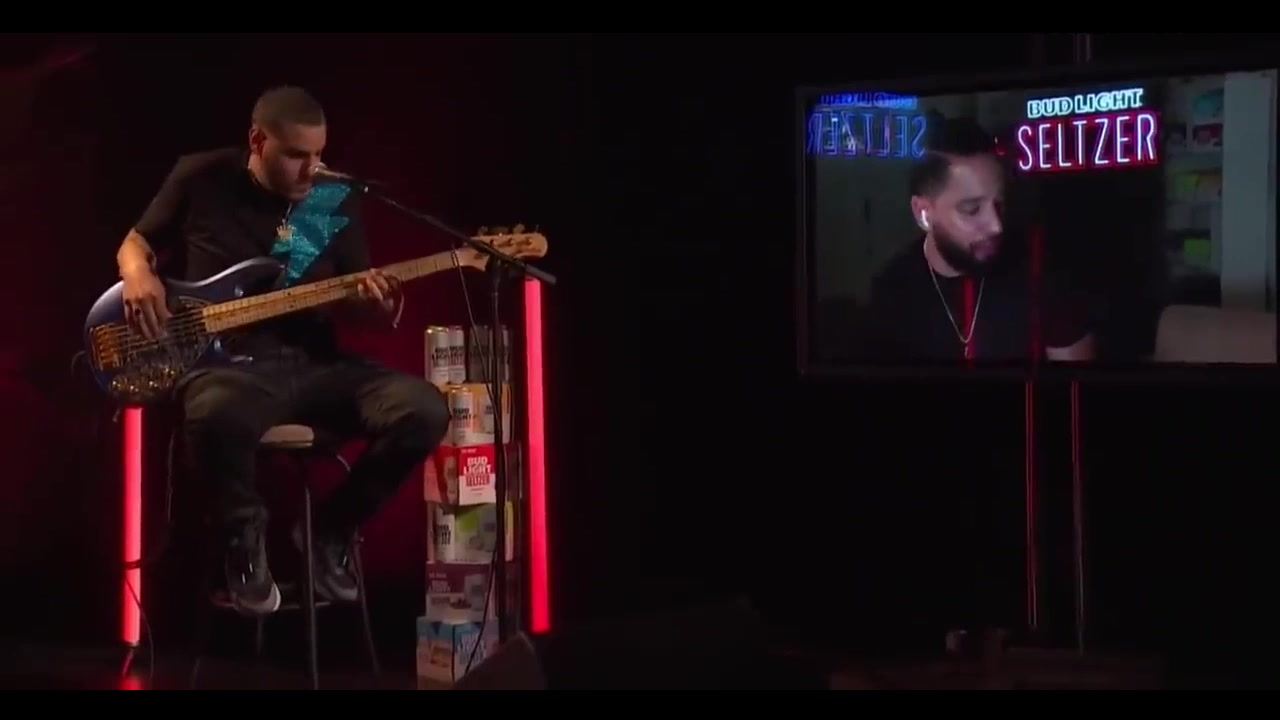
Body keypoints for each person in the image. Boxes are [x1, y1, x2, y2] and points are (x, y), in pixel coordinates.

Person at [115, 86, 451, 616]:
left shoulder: (330, 197)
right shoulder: (203, 176)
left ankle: (331, 532)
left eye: (319, 154)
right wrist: (137, 272)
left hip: (315, 365)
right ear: (257, 140)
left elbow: (358, 305)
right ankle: (243, 544)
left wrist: (379, 305)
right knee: (212, 412)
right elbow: (135, 242)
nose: (312, 169)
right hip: (230, 368)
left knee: (425, 408)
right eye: (296, 155)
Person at [859, 117, 1096, 363]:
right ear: (923, 213)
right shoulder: (892, 293)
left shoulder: (1041, 270)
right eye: (972, 210)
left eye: (999, 203)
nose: (996, 226)